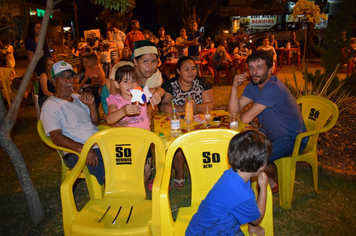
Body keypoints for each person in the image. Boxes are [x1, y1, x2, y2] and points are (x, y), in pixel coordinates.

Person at [228, 50, 308, 191]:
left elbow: (245, 118)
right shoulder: (253, 86)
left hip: (292, 138)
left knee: (255, 158)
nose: (254, 72)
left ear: (270, 69)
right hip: (271, 133)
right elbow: (233, 111)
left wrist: (242, 114)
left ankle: (278, 178)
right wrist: (234, 87)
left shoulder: (273, 87)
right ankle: (270, 181)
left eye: (259, 67)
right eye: (251, 68)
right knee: (245, 149)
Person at [186, 130, 271, 236]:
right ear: (262, 165)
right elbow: (256, 220)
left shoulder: (233, 174)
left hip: (200, 229)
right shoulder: (243, 194)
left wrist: (250, 222)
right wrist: (263, 188)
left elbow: (239, 205)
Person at [40, 61, 105, 185]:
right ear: (53, 81)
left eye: (70, 77)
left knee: (125, 159)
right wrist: (83, 149)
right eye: (63, 77)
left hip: (99, 144)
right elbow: (56, 137)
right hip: (77, 151)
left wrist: (91, 106)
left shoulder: (77, 97)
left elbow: (95, 122)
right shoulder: (51, 106)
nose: (68, 80)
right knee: (111, 174)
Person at [160, 56, 215, 187]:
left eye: (193, 69)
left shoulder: (202, 82)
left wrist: (195, 107)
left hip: (198, 121)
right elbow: (162, 106)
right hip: (176, 122)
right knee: (178, 143)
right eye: (186, 69)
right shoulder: (171, 84)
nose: (191, 72)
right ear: (178, 71)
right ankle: (179, 173)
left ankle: (201, 170)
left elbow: (211, 104)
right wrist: (183, 108)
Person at [106, 65, 152, 187]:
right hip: (127, 144)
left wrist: (150, 112)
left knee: (146, 174)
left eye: (133, 80)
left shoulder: (141, 96)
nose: (130, 84)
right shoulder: (115, 100)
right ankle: (137, 197)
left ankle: (143, 195)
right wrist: (123, 112)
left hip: (145, 141)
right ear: (116, 84)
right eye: (125, 81)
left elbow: (151, 105)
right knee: (136, 174)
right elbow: (109, 118)